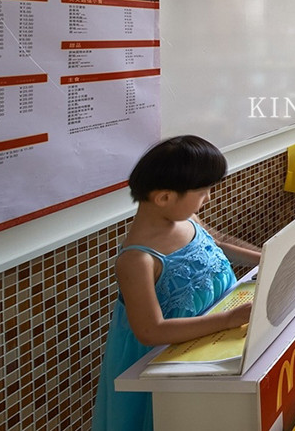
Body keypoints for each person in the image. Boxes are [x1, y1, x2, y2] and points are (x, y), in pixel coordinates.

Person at [92, 136, 261, 431]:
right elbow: (150, 330)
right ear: (164, 198)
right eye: (202, 191)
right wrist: (228, 320)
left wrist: (268, 256)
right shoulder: (137, 260)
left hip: (209, 343)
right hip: (164, 362)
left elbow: (220, 242)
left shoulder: (187, 219)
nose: (208, 198)